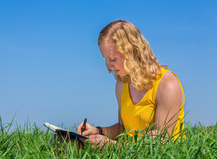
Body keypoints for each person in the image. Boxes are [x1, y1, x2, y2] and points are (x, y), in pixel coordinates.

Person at [77, 20, 185, 149]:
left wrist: (112, 146)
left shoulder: (167, 84)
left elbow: (162, 140)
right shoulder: (121, 84)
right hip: (128, 152)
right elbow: (123, 128)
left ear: (131, 52)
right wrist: (98, 131)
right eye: (106, 60)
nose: (110, 67)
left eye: (113, 59)